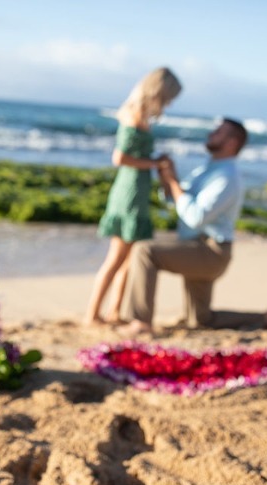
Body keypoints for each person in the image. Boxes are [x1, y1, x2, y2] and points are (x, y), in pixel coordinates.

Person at [121, 118, 267, 335]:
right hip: (197, 247)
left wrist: (175, 184)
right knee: (201, 319)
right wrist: (168, 178)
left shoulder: (227, 176)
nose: (211, 134)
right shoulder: (209, 169)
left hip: (211, 251)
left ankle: (141, 322)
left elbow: (196, 217)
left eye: (218, 132)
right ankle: (265, 318)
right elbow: (176, 199)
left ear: (232, 142)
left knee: (145, 250)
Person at [83, 67, 182, 326]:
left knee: (128, 258)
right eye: (169, 97)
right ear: (160, 92)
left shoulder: (138, 114)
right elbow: (120, 158)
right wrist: (154, 163)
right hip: (129, 190)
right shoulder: (134, 115)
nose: (169, 103)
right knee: (116, 258)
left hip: (137, 188)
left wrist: (155, 162)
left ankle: (114, 311)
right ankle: (92, 314)